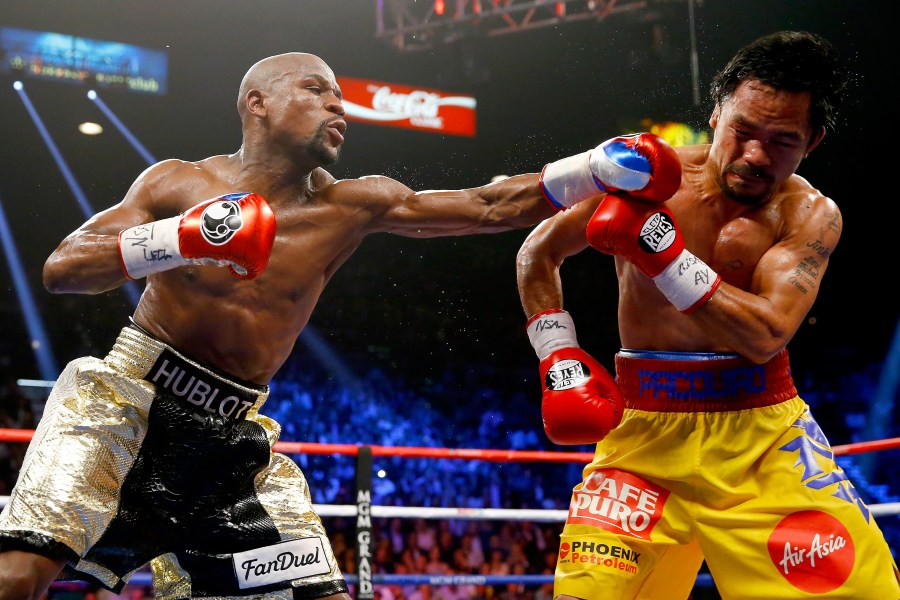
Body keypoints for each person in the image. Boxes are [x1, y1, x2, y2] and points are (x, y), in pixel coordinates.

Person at [0, 52, 678, 600]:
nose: (338, 107)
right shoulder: (179, 184)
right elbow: (64, 267)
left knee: (313, 592)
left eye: (340, 98)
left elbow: (484, 205)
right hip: (127, 404)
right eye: (317, 90)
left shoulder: (354, 204)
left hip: (231, 444)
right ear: (256, 103)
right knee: (18, 575)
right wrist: (186, 237)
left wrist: (591, 169)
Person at [516, 31, 900, 599]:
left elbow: (768, 332)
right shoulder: (643, 177)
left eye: (782, 141)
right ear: (717, 112)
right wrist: (560, 356)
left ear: (812, 141)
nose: (754, 156)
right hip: (641, 439)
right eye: (743, 130)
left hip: (761, 443)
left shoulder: (810, 214)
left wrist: (663, 254)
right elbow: (537, 251)